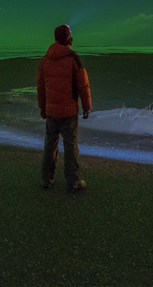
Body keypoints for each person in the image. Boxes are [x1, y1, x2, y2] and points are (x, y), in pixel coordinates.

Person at [36, 24, 92, 192]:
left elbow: (41, 87)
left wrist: (43, 108)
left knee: (50, 145)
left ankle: (47, 179)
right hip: (68, 112)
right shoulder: (73, 59)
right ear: (68, 38)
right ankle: (73, 181)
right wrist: (87, 106)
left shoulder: (46, 60)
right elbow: (83, 85)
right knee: (71, 146)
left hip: (52, 111)